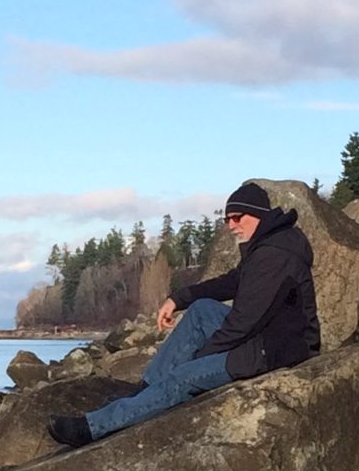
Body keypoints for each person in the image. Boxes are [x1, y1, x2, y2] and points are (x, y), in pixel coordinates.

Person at [48, 182, 320, 448]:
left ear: (258, 214)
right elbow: (233, 282)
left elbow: (243, 324)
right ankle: (144, 394)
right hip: (266, 337)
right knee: (201, 311)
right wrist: (179, 298)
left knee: (182, 377)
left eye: (237, 217)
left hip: (276, 350)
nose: (230, 225)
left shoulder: (274, 254)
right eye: (226, 219)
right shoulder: (267, 245)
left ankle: (92, 428)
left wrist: (200, 359)